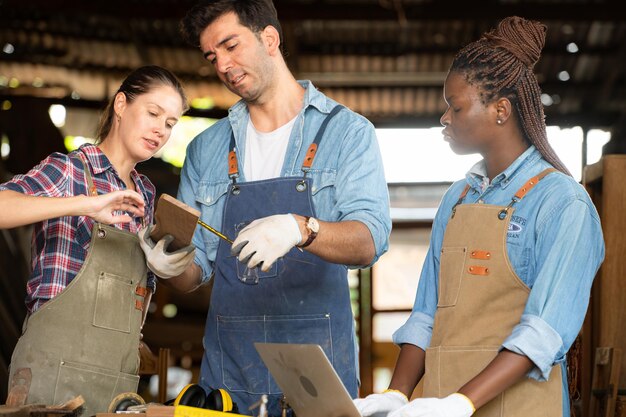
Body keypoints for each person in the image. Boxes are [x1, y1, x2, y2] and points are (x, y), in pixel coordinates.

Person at [137, 0, 391, 415]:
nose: (222, 64)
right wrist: (170, 267)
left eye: (231, 45)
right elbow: (195, 270)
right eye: (211, 55)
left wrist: (300, 228)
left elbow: (370, 241)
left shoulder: (348, 133)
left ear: (269, 38)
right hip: (229, 374)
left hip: (318, 371)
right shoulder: (207, 149)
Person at [353, 16, 604, 417]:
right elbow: (425, 314)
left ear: (501, 110)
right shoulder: (457, 198)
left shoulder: (562, 204)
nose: (445, 118)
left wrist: (460, 402)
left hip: (517, 407)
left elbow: (544, 332)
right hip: (439, 403)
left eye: (455, 106)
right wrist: (397, 394)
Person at [1, 65, 188, 416]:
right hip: (51, 382)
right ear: (121, 105)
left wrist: (166, 266)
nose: (160, 130)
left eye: (170, 123)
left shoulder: (147, 194)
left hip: (117, 388)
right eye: (153, 113)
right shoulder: (71, 171)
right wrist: (88, 204)